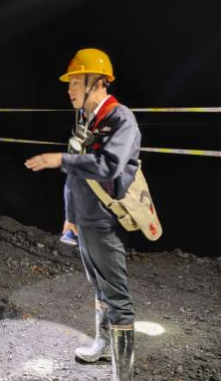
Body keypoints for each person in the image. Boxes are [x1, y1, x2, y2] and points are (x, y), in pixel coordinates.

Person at [26, 49, 141, 381]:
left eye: (76, 82)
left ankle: (123, 375)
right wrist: (71, 216)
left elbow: (109, 166)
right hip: (87, 220)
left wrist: (59, 159)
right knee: (99, 287)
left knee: (117, 296)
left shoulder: (121, 119)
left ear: (97, 82)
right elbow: (76, 177)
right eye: (70, 83)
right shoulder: (87, 122)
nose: (69, 89)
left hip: (107, 221)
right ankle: (102, 345)